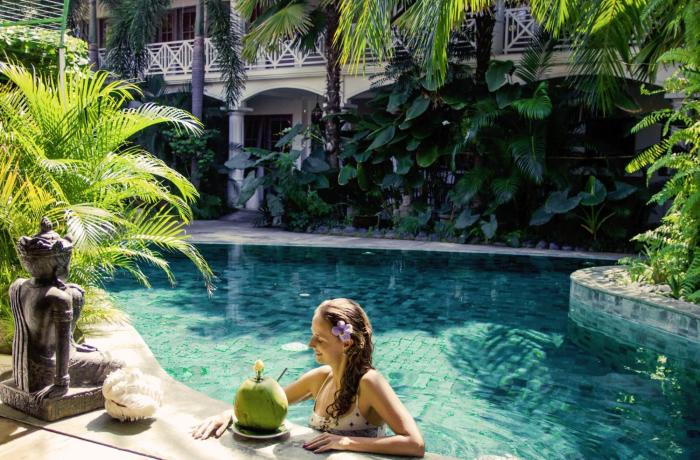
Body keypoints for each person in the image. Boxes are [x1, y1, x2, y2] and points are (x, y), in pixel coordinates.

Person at [191, 298, 425, 457]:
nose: (311, 343)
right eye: (312, 335)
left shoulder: (369, 382)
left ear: (346, 343)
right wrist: (228, 415)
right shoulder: (320, 379)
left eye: (320, 338)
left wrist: (346, 442)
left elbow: (414, 443)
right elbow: (267, 404)